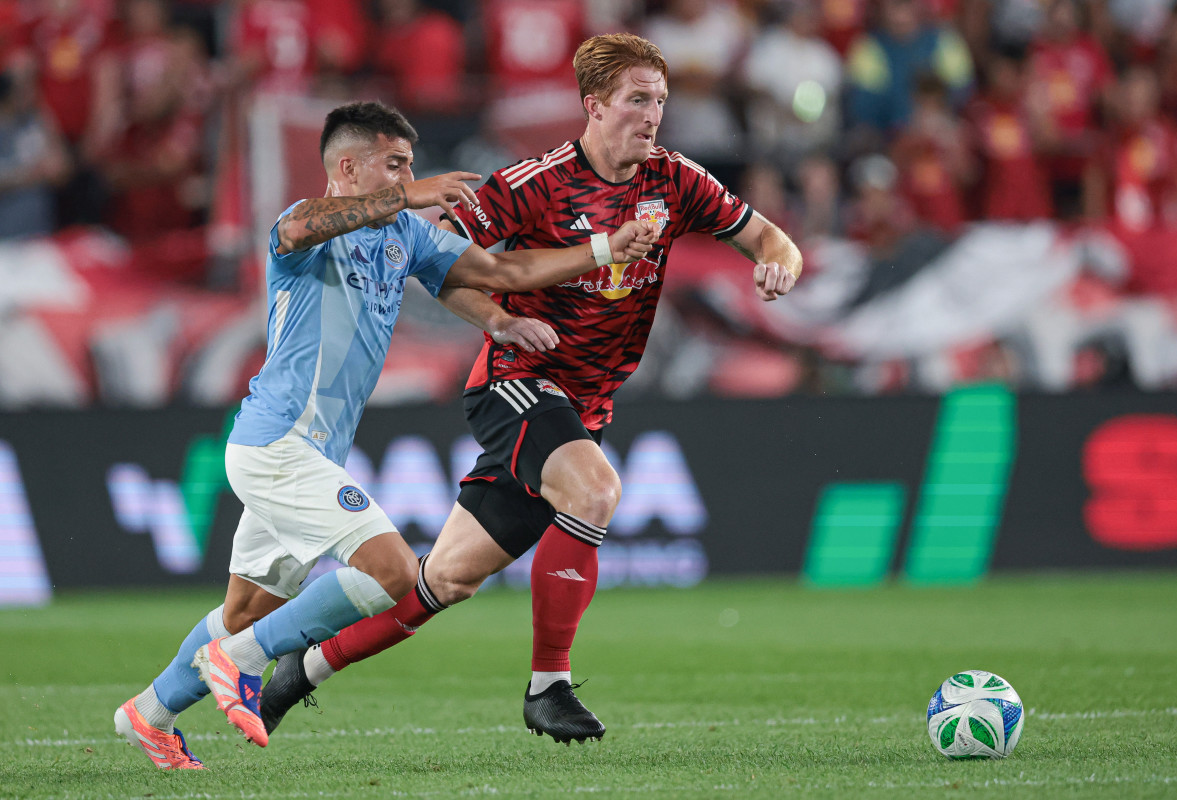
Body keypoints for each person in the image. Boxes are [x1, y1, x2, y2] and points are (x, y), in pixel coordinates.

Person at [258, 33, 802, 746]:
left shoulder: (675, 180)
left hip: (586, 403)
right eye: (638, 100)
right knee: (595, 491)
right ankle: (550, 687)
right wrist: (498, 320)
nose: (653, 115)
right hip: (516, 384)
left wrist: (778, 264)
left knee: (445, 581)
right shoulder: (534, 182)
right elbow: (439, 261)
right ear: (594, 106)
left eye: (661, 101)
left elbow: (772, 239)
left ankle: (303, 668)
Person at [113, 100, 659, 770]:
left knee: (246, 608)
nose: (407, 175)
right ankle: (242, 662)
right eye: (393, 163)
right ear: (347, 167)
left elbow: (502, 273)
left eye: (409, 163)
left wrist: (593, 256)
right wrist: (411, 192)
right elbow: (302, 227)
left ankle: (150, 713)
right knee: (396, 573)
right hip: (276, 442)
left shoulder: (404, 236)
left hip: (313, 453)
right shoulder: (304, 224)